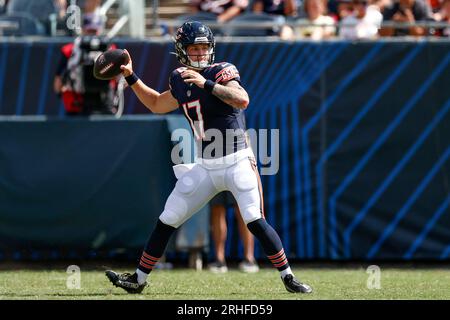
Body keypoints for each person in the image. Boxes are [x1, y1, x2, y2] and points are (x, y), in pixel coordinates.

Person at [105, 21, 312, 295]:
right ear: (182, 50)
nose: (201, 53)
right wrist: (131, 77)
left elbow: (242, 99)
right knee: (169, 218)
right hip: (205, 165)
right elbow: (156, 104)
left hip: (237, 159)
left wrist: (208, 84)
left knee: (253, 218)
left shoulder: (221, 72)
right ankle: (138, 280)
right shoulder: (179, 78)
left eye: (204, 47)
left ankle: (288, 277)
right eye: (194, 48)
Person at [53, 15, 118, 116]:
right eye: (90, 30)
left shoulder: (70, 50)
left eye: (93, 31)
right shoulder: (111, 49)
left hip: (82, 105)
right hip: (88, 106)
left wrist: (60, 93)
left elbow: (58, 82)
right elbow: (122, 80)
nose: (92, 34)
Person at [208, 191, 259, 273]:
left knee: (243, 209)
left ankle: (249, 259)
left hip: (239, 178)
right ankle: (219, 260)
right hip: (216, 178)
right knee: (217, 207)